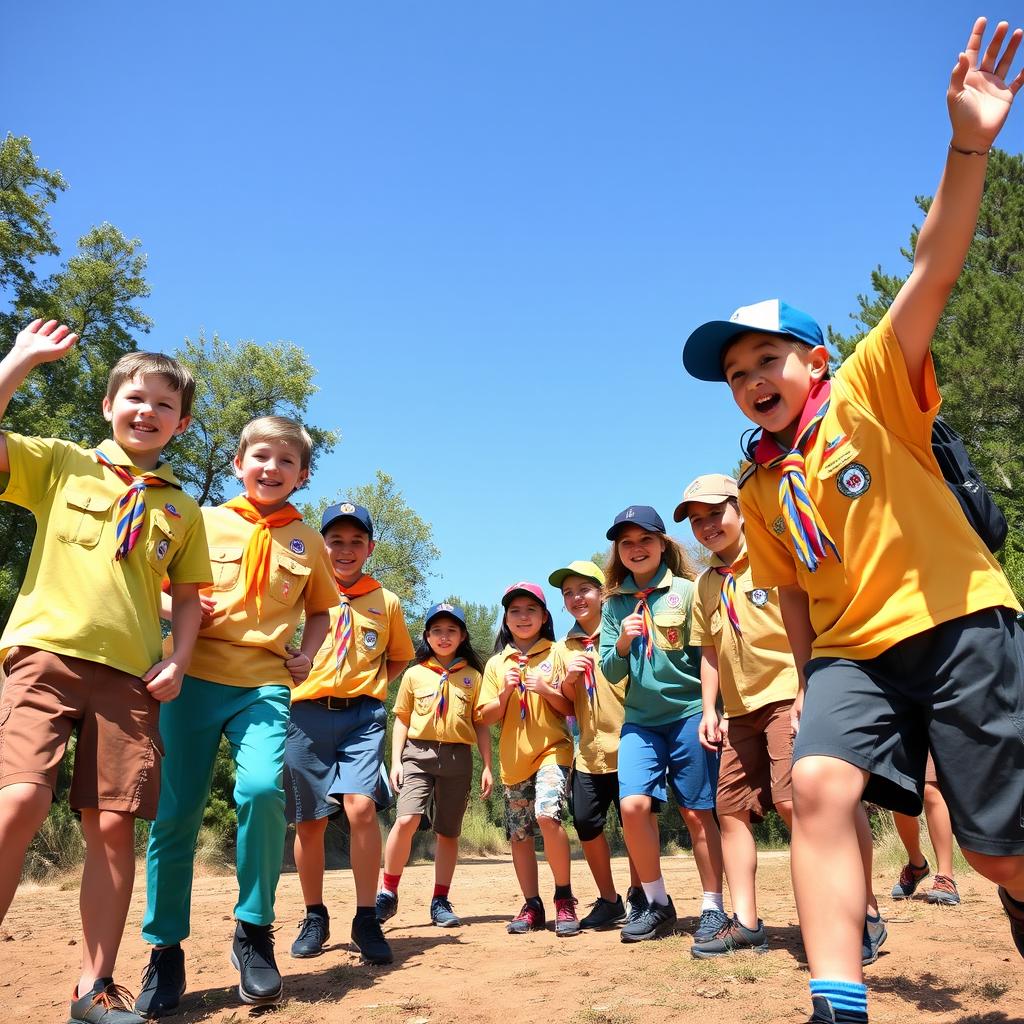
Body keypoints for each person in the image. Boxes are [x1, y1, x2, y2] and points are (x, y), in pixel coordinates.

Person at [681, 20, 1024, 1023]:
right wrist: (810, 681)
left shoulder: (876, 381)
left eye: (767, 361)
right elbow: (790, 590)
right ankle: (837, 1002)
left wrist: (967, 146)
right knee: (815, 788)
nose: (751, 383)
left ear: (816, 361)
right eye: (736, 376)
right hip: (847, 658)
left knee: (1002, 846)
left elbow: (931, 267)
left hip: (959, 623)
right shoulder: (755, 488)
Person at [0, 321, 210, 1024]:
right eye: (134, 398)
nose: (146, 412)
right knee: (19, 801)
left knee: (114, 826)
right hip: (44, 657)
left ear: (179, 425)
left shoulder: (181, 507)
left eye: (163, 406)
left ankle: (94, 989)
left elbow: (187, 597)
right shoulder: (61, 463)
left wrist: (178, 659)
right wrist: (20, 360)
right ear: (108, 404)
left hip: (129, 680)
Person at [137, 415, 336, 1015]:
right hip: (192, 678)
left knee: (259, 791)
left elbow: (322, 610)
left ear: (300, 476)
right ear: (237, 463)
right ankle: (164, 952)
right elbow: (156, 587)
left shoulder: (308, 541)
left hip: (263, 685)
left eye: (285, 461)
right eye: (260, 456)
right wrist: (187, 615)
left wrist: (306, 652)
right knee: (174, 815)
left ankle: (253, 932)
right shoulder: (201, 519)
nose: (270, 468)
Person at [284, 501, 414, 965]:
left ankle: (365, 917)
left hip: (361, 717)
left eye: (355, 541)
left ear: (370, 548)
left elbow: (399, 655)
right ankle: (314, 915)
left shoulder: (387, 601)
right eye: (335, 540)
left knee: (361, 807)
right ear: (322, 545)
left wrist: (374, 687)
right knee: (310, 820)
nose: (344, 549)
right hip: (305, 714)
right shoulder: (299, 592)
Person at [678, 474, 797, 957]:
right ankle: (746, 922)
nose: (707, 527)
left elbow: (803, 623)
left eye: (715, 514)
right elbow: (710, 649)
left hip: (788, 694)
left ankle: (859, 912)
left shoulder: (776, 556)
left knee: (796, 806)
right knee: (730, 811)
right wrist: (711, 709)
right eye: (697, 520)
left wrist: (811, 687)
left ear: (742, 510)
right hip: (738, 710)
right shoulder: (706, 584)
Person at [599, 506, 726, 944]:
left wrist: (715, 710)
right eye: (627, 543)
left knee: (696, 811)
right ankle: (656, 903)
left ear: (662, 544)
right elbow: (611, 672)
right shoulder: (613, 604)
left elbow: (709, 656)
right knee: (633, 807)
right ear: (618, 551)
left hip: (689, 714)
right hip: (641, 722)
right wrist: (621, 641)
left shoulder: (689, 592)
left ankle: (713, 906)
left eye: (645, 540)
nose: (636, 549)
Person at [376, 602, 494, 927]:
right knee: (407, 819)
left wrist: (487, 765)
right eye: (437, 631)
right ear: (427, 636)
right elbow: (401, 718)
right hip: (417, 754)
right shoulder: (414, 674)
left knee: (448, 832)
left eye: (451, 630)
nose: (444, 637)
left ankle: (440, 900)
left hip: (458, 758)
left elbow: (480, 722)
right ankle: (387, 893)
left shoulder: (472, 677)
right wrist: (396, 760)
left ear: (463, 636)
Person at [476, 582, 579, 937]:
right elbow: (485, 717)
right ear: (505, 619)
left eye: (531, 610)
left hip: (554, 749)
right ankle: (531, 904)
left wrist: (547, 689)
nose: (523, 617)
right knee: (519, 834)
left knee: (547, 815)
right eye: (515, 611)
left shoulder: (559, 652)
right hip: (513, 760)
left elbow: (572, 707)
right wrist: (504, 692)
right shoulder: (495, 663)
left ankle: (564, 899)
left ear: (545, 617)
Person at [549, 559, 642, 929]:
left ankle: (642, 895)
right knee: (586, 822)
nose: (576, 598)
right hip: (589, 751)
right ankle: (609, 899)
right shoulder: (563, 648)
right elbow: (565, 705)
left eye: (584, 590)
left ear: (602, 592)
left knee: (636, 824)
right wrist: (568, 681)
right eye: (568, 593)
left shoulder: (624, 629)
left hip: (632, 742)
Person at [890, 755, 960, 906]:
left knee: (929, 788)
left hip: (932, 731)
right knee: (899, 792)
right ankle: (917, 865)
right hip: (896, 733)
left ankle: (946, 876)